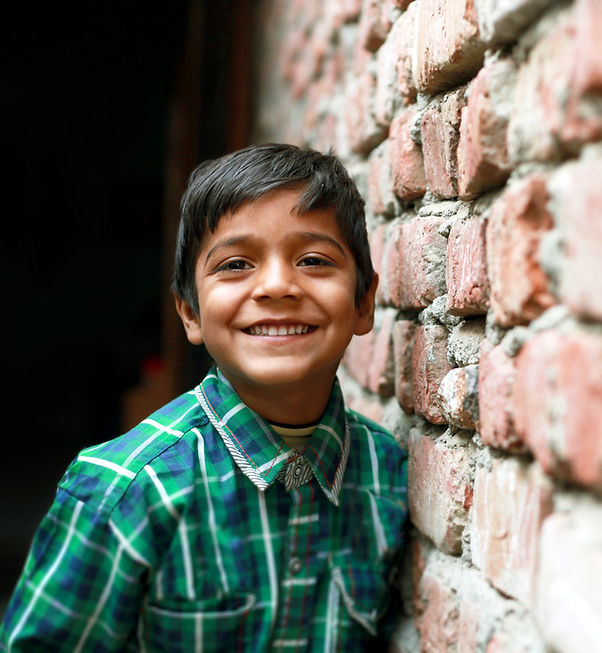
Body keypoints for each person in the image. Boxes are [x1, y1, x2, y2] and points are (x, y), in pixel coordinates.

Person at [0, 143, 408, 651]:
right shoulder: (122, 493)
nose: (277, 286)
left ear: (364, 302)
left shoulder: (389, 475)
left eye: (312, 259)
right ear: (190, 313)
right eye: (236, 264)